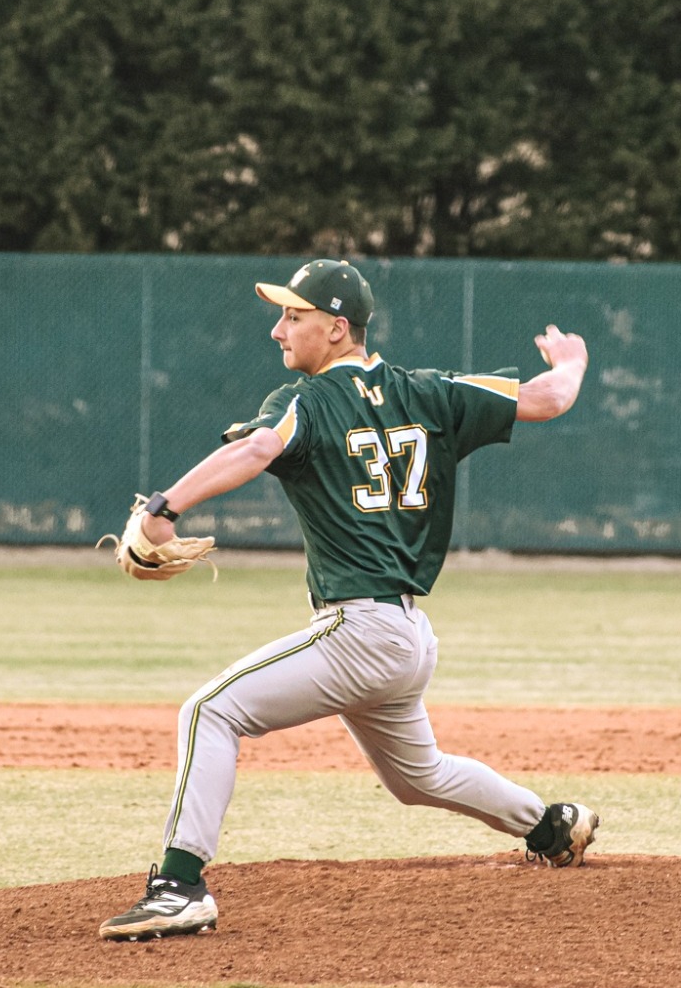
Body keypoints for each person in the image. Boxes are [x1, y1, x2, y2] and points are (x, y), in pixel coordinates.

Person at [99, 258, 601, 942]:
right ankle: (550, 826)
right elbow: (548, 399)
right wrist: (572, 361)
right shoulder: (431, 390)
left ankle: (178, 885)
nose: (278, 330)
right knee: (416, 776)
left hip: (358, 630)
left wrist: (164, 508)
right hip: (407, 634)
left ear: (337, 328)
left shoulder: (304, 400)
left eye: (293, 316)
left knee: (210, 711)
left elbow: (254, 451)